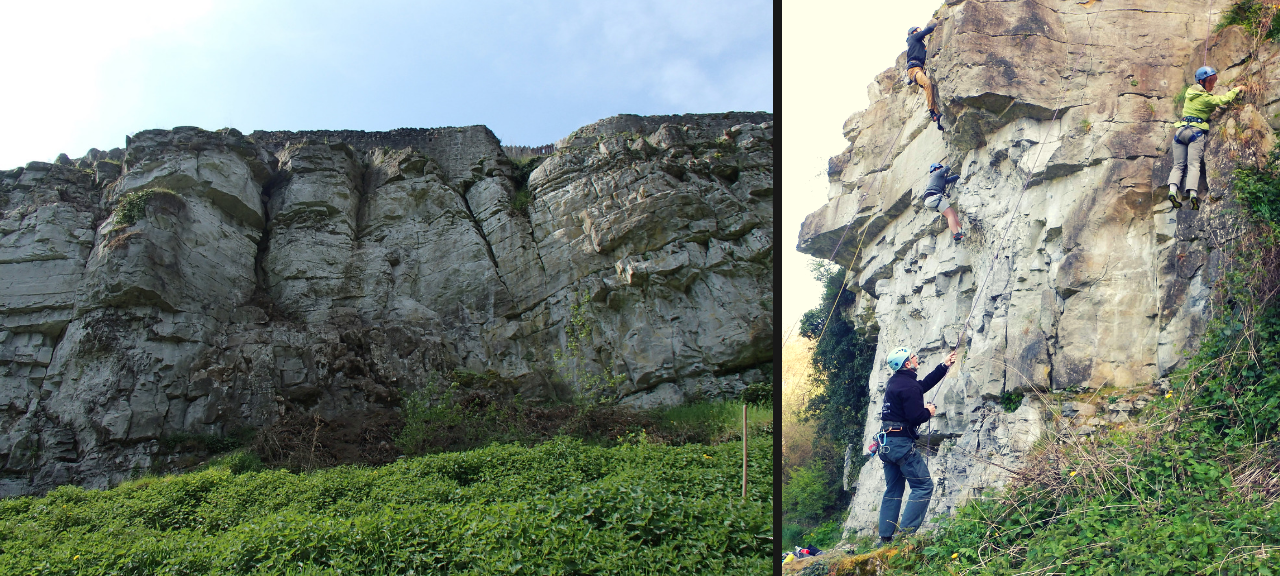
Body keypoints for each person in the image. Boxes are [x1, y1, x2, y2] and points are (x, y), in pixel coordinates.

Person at [876, 346, 957, 546]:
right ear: (907, 363)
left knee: (893, 489)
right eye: (913, 357)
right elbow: (915, 417)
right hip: (901, 445)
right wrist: (928, 411)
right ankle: (905, 538)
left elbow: (920, 387)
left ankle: (885, 538)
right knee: (923, 486)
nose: (916, 359)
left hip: (886, 445)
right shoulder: (908, 387)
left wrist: (943, 366)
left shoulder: (896, 382)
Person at [1166, 66, 1243, 210]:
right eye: (1210, 81)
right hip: (1195, 132)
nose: (1212, 84)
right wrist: (1237, 89)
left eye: (1213, 81)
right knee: (1194, 165)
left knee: (1178, 165)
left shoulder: (1190, 94)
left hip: (1180, 132)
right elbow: (1223, 100)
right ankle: (1193, 195)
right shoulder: (1206, 98)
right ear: (1201, 82)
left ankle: (1171, 191)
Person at [906, 22, 944, 131]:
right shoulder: (912, 38)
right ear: (913, 32)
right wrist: (936, 24)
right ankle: (932, 113)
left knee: (931, 89)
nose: (920, 31)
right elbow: (927, 31)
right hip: (914, 69)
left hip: (918, 68)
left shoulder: (920, 45)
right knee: (927, 84)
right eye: (918, 30)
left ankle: (939, 120)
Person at [923, 163, 964, 242]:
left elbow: (950, 179)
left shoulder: (940, 179)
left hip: (930, 201)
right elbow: (945, 169)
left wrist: (959, 175)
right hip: (934, 197)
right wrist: (950, 164)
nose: (940, 169)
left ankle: (961, 228)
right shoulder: (935, 174)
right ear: (935, 169)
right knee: (950, 215)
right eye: (939, 168)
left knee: (951, 212)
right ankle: (956, 234)